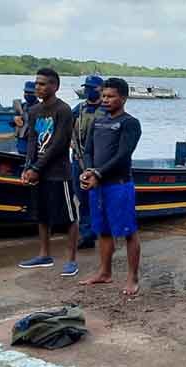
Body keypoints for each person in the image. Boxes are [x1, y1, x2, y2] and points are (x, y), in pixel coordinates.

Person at [78, 78, 143, 296]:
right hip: (98, 185)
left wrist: (98, 172)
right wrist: (88, 170)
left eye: (111, 96)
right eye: (104, 96)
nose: (105, 100)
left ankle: (132, 277)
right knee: (102, 230)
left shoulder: (130, 123)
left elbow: (123, 154)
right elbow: (87, 150)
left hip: (119, 185)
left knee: (128, 231)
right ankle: (104, 272)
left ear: (123, 98)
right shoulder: (98, 121)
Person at [18, 68, 80, 277]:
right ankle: (44, 254)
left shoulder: (63, 110)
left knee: (68, 217)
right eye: (36, 83)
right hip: (39, 173)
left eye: (43, 84)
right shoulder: (35, 111)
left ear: (55, 86)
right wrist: (28, 167)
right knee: (42, 215)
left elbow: (59, 144)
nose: (38, 87)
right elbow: (32, 141)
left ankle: (72, 260)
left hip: (58, 173)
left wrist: (37, 168)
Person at [71, 75, 106, 250]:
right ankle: (87, 235)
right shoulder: (79, 109)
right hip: (78, 159)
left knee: (99, 198)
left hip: (100, 162)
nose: (88, 91)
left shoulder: (107, 109)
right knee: (82, 198)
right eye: (86, 87)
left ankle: (101, 231)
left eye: (92, 88)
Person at [11, 81, 39, 155]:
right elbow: (11, 123)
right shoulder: (22, 107)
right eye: (26, 92)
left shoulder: (41, 108)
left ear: (36, 93)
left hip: (34, 146)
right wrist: (15, 119)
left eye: (30, 93)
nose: (27, 95)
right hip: (21, 144)